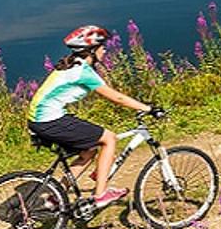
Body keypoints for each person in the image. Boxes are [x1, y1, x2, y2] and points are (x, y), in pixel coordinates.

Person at [27, 25, 156, 208]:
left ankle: (56, 196)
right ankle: (101, 194)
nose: (105, 51)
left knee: (89, 150)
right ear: (92, 51)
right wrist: (148, 108)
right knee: (109, 139)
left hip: (40, 120)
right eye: (102, 47)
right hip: (50, 121)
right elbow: (116, 97)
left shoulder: (71, 65)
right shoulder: (83, 72)